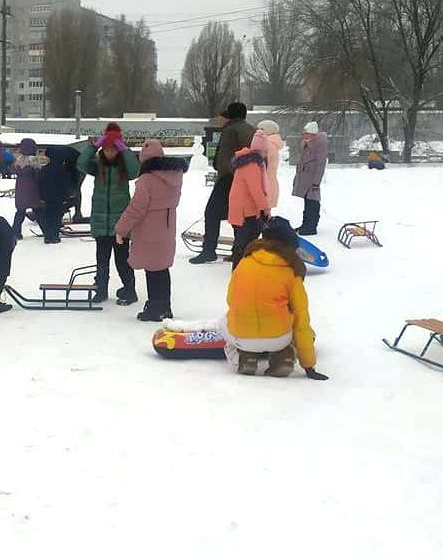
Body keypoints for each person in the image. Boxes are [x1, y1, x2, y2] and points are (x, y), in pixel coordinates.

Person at [165, 217, 328, 380]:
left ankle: (244, 356)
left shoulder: (245, 262)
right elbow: (301, 320)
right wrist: (309, 366)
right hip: (278, 338)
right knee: (297, 324)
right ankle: (284, 355)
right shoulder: (291, 273)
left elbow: (231, 300)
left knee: (225, 320)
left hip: (241, 337)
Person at [115, 140, 187, 322]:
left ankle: (155, 308)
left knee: (152, 269)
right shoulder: (174, 176)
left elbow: (136, 208)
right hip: (167, 226)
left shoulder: (147, 180)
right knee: (161, 269)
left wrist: (121, 229)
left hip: (149, 229)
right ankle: (164, 306)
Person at [77, 122, 141, 305]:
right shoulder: (97, 165)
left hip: (120, 223)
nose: (109, 152)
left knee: (122, 261)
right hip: (100, 221)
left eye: (113, 149)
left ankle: (129, 291)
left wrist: (125, 149)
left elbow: (135, 171)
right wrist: (94, 146)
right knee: (102, 261)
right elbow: (81, 164)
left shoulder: (125, 166)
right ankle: (101, 290)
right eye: (106, 149)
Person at [191, 102, 256, 264]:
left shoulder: (230, 130)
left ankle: (209, 251)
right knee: (236, 215)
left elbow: (225, 157)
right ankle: (238, 250)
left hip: (228, 179)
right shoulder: (251, 129)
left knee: (211, 213)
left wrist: (223, 172)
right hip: (245, 178)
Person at [228, 132, 271, 268]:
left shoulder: (251, 162)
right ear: (262, 150)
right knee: (244, 242)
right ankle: (239, 269)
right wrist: (265, 208)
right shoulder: (251, 165)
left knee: (245, 240)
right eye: (266, 150)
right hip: (244, 211)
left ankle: (244, 267)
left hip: (246, 208)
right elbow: (256, 190)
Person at [292, 123, 329, 235]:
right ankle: (306, 224)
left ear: (313, 134)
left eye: (307, 133)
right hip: (305, 177)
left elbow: (321, 164)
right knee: (307, 202)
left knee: (313, 202)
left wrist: (316, 182)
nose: (305, 136)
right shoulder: (307, 144)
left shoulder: (320, 144)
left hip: (312, 178)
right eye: (304, 133)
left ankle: (311, 226)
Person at [36, 146, 71, 244]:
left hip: (46, 196)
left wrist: (41, 196)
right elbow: (66, 183)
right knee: (57, 216)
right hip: (59, 197)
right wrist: (67, 196)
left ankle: (48, 236)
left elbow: (40, 182)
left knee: (48, 216)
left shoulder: (45, 169)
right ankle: (55, 235)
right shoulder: (62, 169)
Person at [11, 138, 42, 240]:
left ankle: (15, 232)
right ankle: (48, 232)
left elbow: (12, 169)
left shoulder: (19, 160)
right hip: (33, 188)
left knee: (20, 212)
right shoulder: (34, 161)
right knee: (38, 212)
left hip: (20, 188)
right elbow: (38, 175)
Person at [257, 120, 284, 209]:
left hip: (264, 185)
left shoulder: (267, 145)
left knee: (261, 216)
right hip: (270, 184)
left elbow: (260, 165)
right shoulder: (273, 145)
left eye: (260, 129)